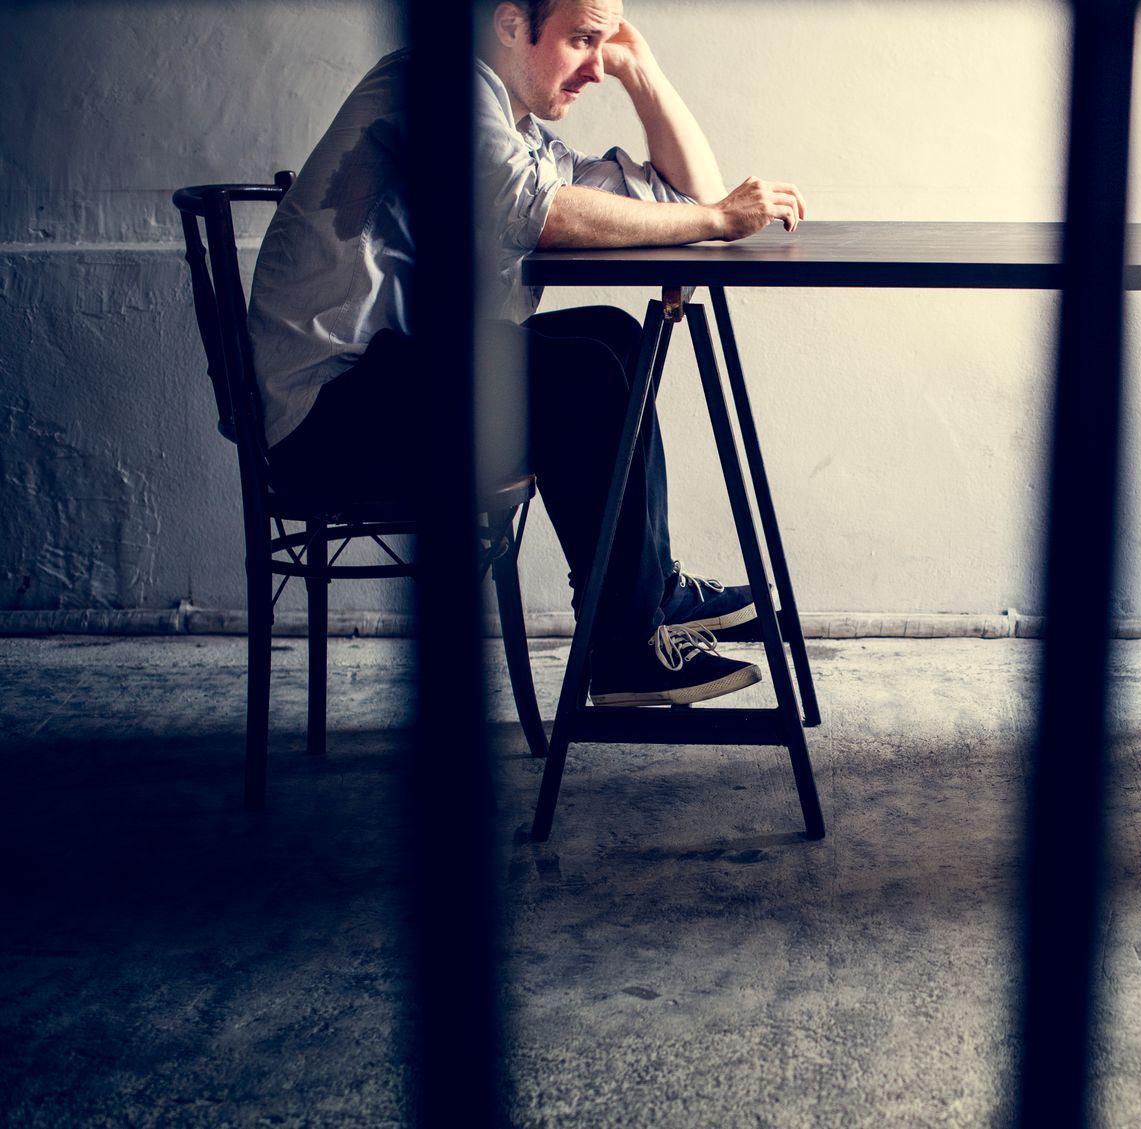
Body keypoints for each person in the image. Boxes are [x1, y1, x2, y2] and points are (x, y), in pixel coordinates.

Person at [248, 0, 808, 707]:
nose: (594, 68)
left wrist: (643, 71)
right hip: (330, 416)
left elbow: (683, 198)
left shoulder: (520, 135)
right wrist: (716, 220)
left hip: (396, 384)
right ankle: (626, 644)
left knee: (611, 335)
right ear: (511, 22)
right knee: (583, 378)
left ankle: (647, 590)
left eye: (600, 45)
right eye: (580, 39)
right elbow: (537, 213)